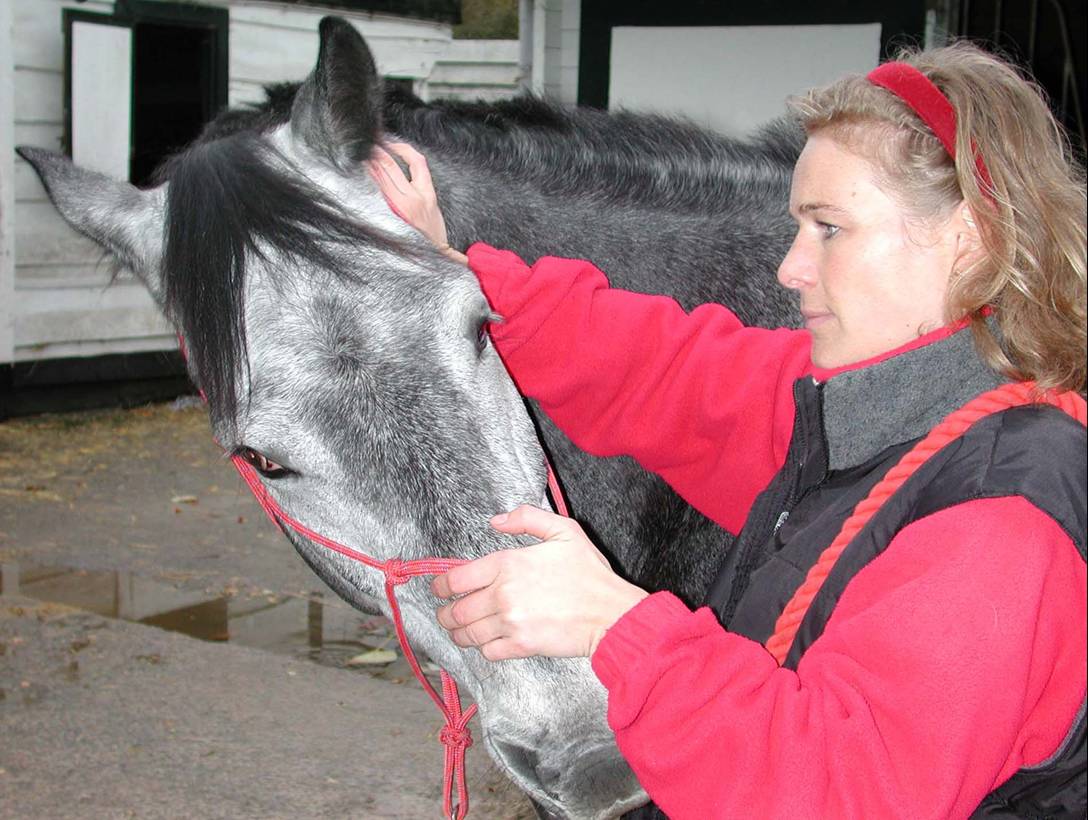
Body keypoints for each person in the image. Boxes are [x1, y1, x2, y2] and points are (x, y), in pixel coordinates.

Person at [369, 43, 1087, 818]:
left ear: (968, 238)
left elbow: (842, 791)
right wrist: (460, 278)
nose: (791, 267)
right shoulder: (879, 404)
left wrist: (614, 624)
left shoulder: (1002, 517)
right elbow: (663, 371)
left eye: (829, 228)